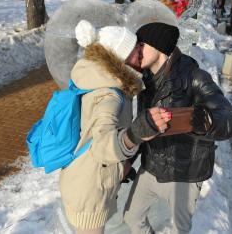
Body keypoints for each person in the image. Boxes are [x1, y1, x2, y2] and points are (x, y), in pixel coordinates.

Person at [124, 22, 232, 234]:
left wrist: (206, 120)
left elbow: (229, 117)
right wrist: (127, 161)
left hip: (185, 172)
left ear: (158, 47)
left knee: (180, 229)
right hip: (151, 166)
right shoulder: (145, 81)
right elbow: (144, 127)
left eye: (141, 44)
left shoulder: (193, 76)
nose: (135, 50)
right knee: (131, 218)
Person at [59, 21, 171, 234]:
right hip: (88, 190)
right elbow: (103, 146)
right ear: (122, 58)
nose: (141, 55)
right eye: (137, 50)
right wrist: (136, 133)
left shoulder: (100, 79)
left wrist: (124, 164)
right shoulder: (108, 94)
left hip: (84, 177)